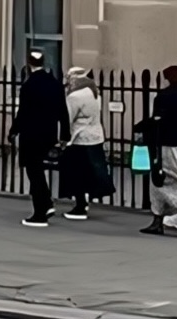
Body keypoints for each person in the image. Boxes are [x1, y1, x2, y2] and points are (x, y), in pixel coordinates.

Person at [135, 65, 177, 237]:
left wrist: (142, 126)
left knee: (168, 178)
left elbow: (159, 120)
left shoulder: (164, 97)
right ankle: (158, 220)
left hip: (166, 143)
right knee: (164, 180)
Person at [8, 49, 69, 227]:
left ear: (29, 64)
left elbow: (23, 113)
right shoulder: (54, 84)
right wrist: (64, 134)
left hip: (31, 136)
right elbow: (62, 112)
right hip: (48, 134)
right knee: (39, 171)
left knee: (34, 173)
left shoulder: (28, 86)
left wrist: (13, 130)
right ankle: (47, 203)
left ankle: (40, 212)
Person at [59, 67, 114, 220]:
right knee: (92, 170)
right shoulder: (94, 92)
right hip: (95, 137)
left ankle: (80, 205)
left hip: (79, 138)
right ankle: (88, 199)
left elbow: (68, 118)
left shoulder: (75, 96)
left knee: (76, 173)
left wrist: (63, 139)